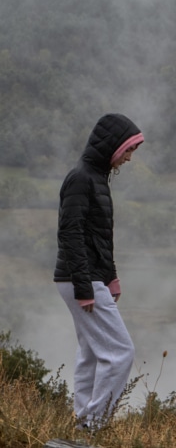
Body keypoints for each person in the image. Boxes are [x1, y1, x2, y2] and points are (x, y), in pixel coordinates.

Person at [54, 113, 143, 429]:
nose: (129, 158)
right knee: (120, 352)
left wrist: (110, 277)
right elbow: (71, 232)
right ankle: (92, 425)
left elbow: (99, 236)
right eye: (128, 150)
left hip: (87, 277)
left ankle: (82, 425)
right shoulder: (82, 178)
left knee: (92, 353)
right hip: (81, 278)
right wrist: (85, 285)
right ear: (113, 146)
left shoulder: (94, 177)